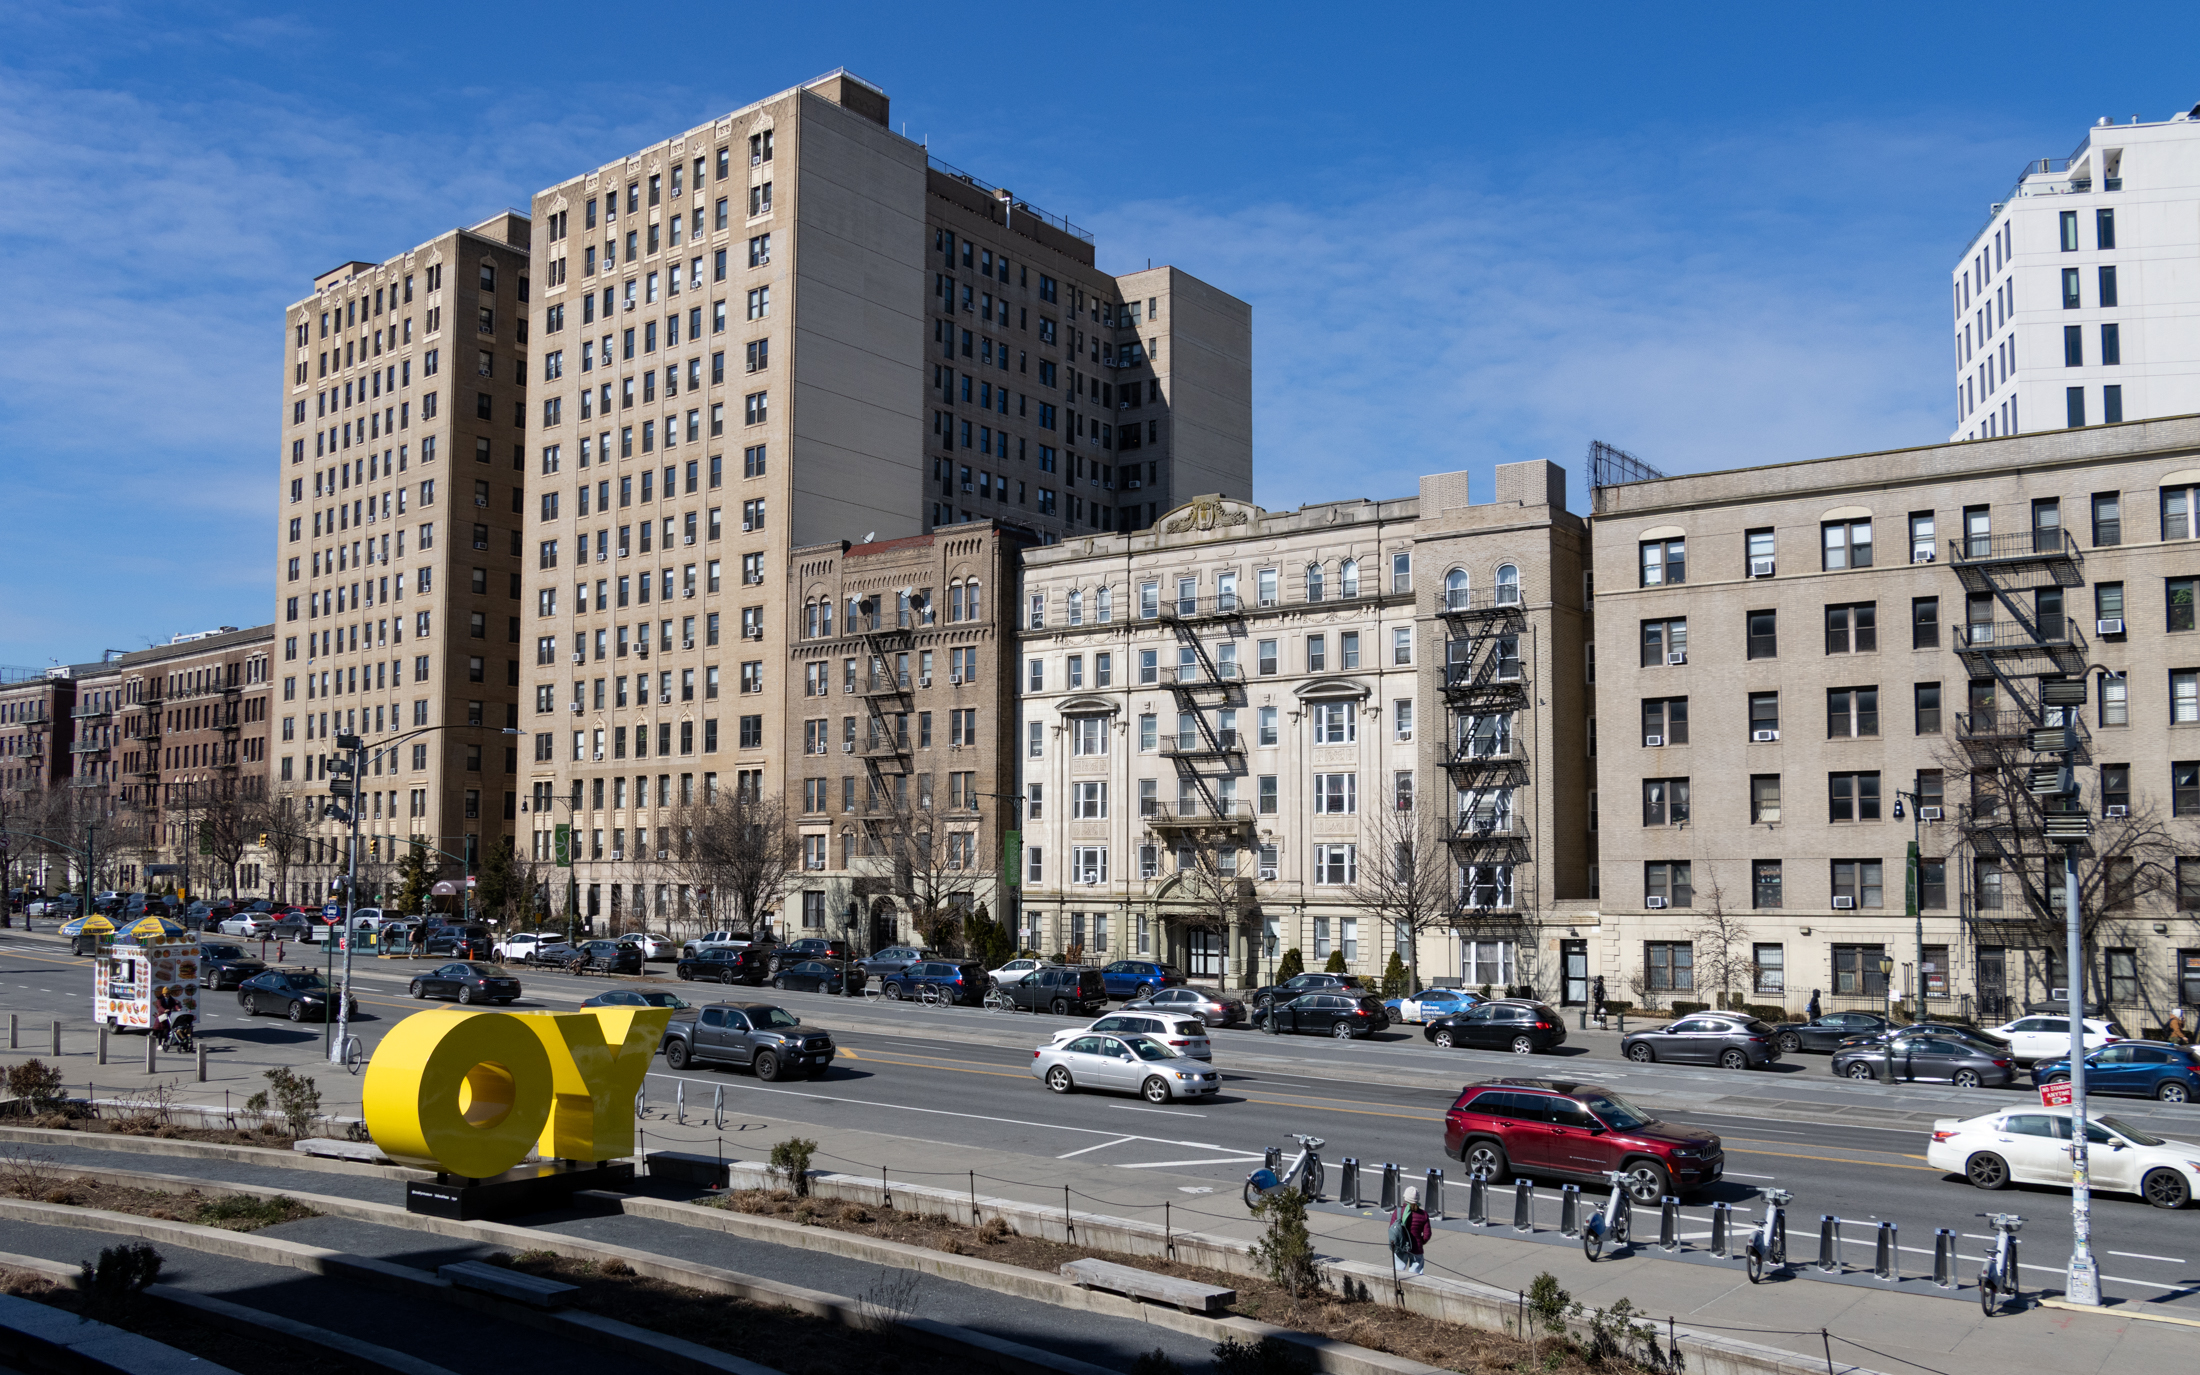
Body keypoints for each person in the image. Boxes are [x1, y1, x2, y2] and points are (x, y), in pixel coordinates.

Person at [1389, 1184, 1431, 1277]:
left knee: (1398, 1271)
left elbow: (1391, 1229)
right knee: (1416, 1274)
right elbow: (1427, 1234)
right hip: (1416, 1247)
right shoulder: (1423, 1214)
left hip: (1401, 1245)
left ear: (1405, 1198)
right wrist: (1420, 1241)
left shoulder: (1398, 1212)